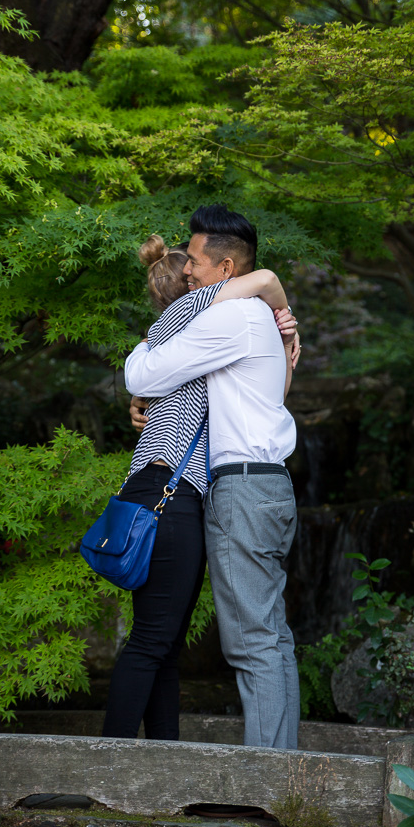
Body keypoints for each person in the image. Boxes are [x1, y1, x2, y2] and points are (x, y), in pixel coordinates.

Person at [102, 231, 296, 741]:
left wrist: (283, 339)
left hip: (159, 485)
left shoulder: (174, 333)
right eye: (187, 271)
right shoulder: (198, 310)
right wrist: (284, 318)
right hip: (172, 491)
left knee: (161, 643)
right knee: (153, 641)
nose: (193, 274)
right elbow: (265, 278)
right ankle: (108, 761)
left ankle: (160, 759)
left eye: (196, 267)